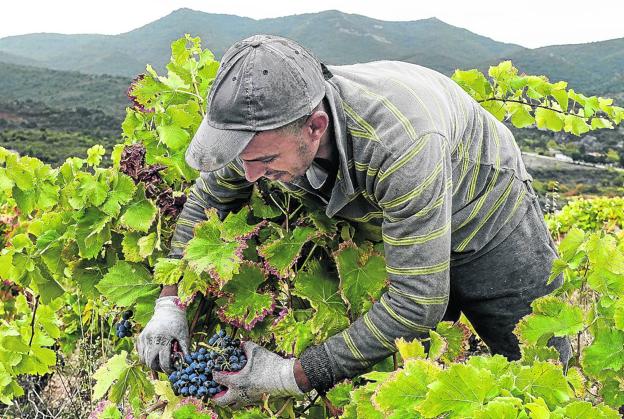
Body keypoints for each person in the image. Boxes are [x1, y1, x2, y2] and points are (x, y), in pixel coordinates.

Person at [137, 34, 571, 407]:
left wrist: (291, 376)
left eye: (265, 160)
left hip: (484, 211)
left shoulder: (399, 144)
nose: (250, 176)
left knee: (535, 361)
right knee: (415, 375)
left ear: (315, 126)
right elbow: (208, 199)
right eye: (244, 161)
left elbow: (417, 302)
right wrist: (169, 302)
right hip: (398, 214)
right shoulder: (257, 131)